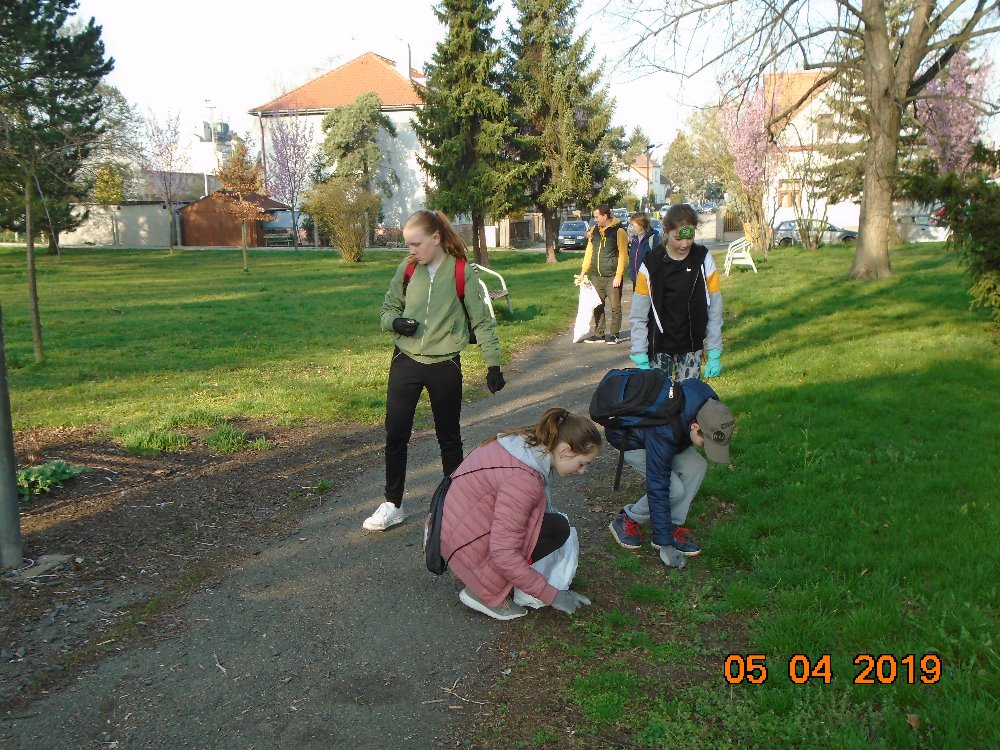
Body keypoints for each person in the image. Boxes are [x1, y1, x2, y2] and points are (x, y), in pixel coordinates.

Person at [364, 210, 506, 532]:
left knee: (449, 438)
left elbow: (482, 322)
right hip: (405, 361)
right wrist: (395, 322)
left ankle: (455, 504)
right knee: (396, 434)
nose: (411, 250)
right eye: (408, 244)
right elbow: (387, 309)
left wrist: (493, 364)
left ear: (436, 238)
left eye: (416, 244)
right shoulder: (407, 269)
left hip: (445, 364)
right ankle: (393, 504)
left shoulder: (461, 272)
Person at [440, 408, 600, 621]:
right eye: (582, 464)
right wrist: (552, 595)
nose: (582, 471)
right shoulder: (523, 481)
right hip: (462, 546)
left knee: (551, 525)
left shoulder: (522, 444)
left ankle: (479, 574)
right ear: (565, 450)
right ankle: (481, 591)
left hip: (448, 531)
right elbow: (503, 552)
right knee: (555, 530)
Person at [606, 378, 735, 562]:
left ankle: (672, 524)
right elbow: (658, 486)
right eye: (705, 442)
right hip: (632, 440)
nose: (706, 447)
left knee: (697, 465)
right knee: (673, 490)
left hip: (668, 436)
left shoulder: (709, 407)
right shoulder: (665, 430)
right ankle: (627, 519)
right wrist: (665, 543)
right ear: (695, 426)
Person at [628, 203, 724, 381]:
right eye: (678, 238)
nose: (685, 244)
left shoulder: (703, 259)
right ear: (666, 230)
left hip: (691, 347)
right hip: (658, 348)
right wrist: (640, 353)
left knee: (687, 397)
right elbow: (638, 314)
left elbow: (715, 308)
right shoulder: (650, 264)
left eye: (690, 238)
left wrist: (714, 350)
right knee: (660, 397)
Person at [577, 204, 628, 345]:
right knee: (597, 305)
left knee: (615, 307)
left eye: (597, 217)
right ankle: (599, 334)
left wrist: (618, 275)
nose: (595, 220)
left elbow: (623, 255)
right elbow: (589, 251)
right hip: (596, 276)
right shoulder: (594, 230)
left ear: (605, 216)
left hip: (612, 276)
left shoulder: (619, 232)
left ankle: (614, 334)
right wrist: (583, 271)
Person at [627, 212, 660, 285]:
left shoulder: (653, 238)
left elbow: (657, 260)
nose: (632, 227)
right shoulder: (634, 239)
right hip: (636, 279)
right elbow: (632, 257)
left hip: (648, 281)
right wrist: (630, 270)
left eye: (633, 225)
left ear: (641, 225)